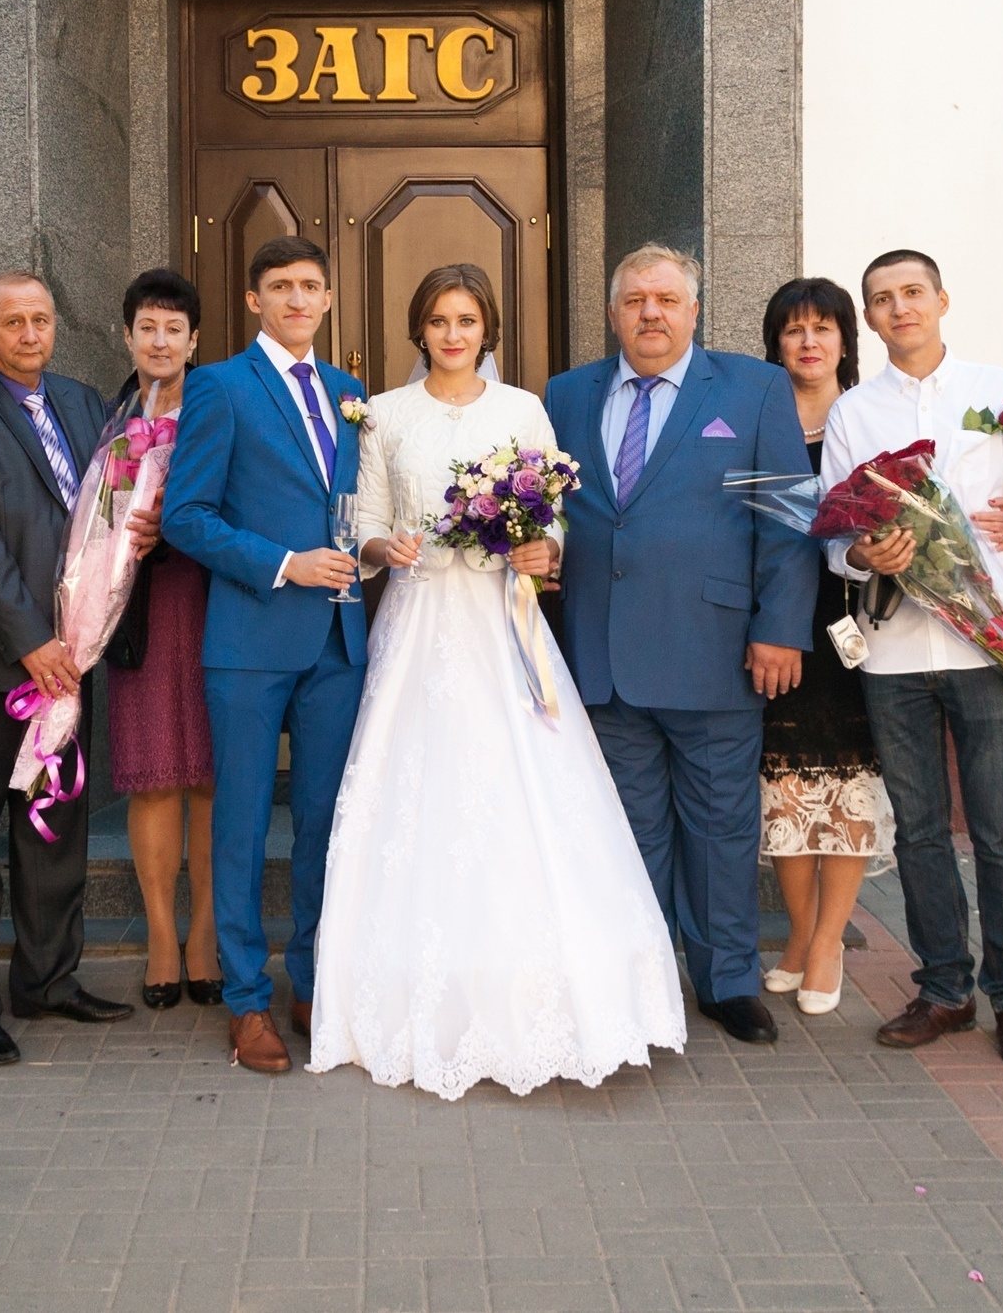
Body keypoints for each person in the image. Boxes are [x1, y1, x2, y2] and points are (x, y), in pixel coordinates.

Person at [308, 265, 686, 1098]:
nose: (452, 333)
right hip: (415, 623)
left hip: (501, 618)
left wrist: (540, 548)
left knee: (524, 789)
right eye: (439, 319)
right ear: (420, 329)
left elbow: (550, 518)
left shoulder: (522, 410)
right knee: (420, 792)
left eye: (467, 319)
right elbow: (367, 522)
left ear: (488, 330)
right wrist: (382, 551)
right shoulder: (385, 415)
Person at [544, 244, 816, 1046]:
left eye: (666, 299)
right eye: (635, 301)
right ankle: (639, 975)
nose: (651, 313)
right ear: (613, 312)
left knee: (719, 828)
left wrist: (778, 629)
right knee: (627, 830)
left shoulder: (754, 388)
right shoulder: (567, 393)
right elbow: (552, 508)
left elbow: (790, 522)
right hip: (603, 652)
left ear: (695, 311)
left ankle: (725, 979)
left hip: (718, 650)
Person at [822, 249, 1003, 1069]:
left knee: (999, 833)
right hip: (893, 651)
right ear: (871, 317)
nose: (899, 309)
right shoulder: (855, 410)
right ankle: (944, 988)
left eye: (912, 293)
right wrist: (866, 554)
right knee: (921, 831)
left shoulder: (999, 393)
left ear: (942, 300)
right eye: (882, 300)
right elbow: (833, 539)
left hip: (986, 646)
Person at [0, 273, 134, 1068]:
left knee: (55, 824)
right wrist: (30, 643)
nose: (30, 333)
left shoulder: (82, 402)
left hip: (74, 659)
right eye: (13, 322)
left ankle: (48, 979)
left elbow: (106, 512)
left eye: (41, 318)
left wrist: (89, 628)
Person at [161, 236, 368, 1076]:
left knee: (323, 823)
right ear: (254, 300)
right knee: (243, 824)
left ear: (326, 299)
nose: (295, 299)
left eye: (309, 286)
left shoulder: (351, 392)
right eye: (279, 285)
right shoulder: (217, 386)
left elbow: (351, 504)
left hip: (340, 642)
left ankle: (311, 981)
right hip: (250, 639)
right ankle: (247, 1000)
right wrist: (283, 564)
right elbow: (187, 515)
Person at [755, 278, 895, 1019]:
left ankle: (831, 941)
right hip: (776, 627)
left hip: (855, 624)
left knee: (845, 788)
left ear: (847, 339)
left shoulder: (868, 419)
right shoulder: (757, 416)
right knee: (783, 789)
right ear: (775, 343)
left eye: (823, 328)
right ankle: (803, 936)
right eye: (792, 330)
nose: (809, 342)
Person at [102, 269, 224, 1012]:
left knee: (210, 773)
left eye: (173, 329)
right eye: (147, 327)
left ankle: (205, 934)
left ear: (194, 340)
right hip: (138, 607)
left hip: (212, 601)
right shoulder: (105, 415)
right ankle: (158, 937)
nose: (159, 340)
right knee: (153, 772)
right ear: (128, 336)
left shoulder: (221, 406)